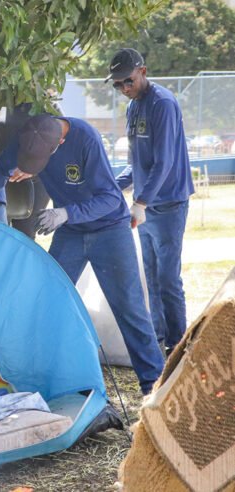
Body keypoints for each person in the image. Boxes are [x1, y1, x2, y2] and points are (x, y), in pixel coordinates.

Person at [0, 114, 165, 395]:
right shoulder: (30, 133)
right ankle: (41, 381)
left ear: (60, 142)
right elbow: (1, 169)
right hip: (70, 234)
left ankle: (155, 386)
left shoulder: (86, 139)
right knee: (49, 301)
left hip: (109, 229)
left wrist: (66, 213)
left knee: (130, 308)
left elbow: (111, 198)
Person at [107, 48, 194, 355]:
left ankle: (178, 346)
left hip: (168, 205)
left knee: (169, 280)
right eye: (117, 85)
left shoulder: (163, 104)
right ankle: (159, 341)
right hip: (144, 209)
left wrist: (140, 202)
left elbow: (165, 162)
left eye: (127, 81)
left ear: (142, 71)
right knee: (153, 280)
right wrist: (110, 187)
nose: (124, 89)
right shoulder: (133, 108)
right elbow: (137, 164)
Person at [0, 104, 52, 238]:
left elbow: (60, 144)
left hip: (35, 180)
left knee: (25, 235)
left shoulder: (45, 104)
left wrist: (32, 169)